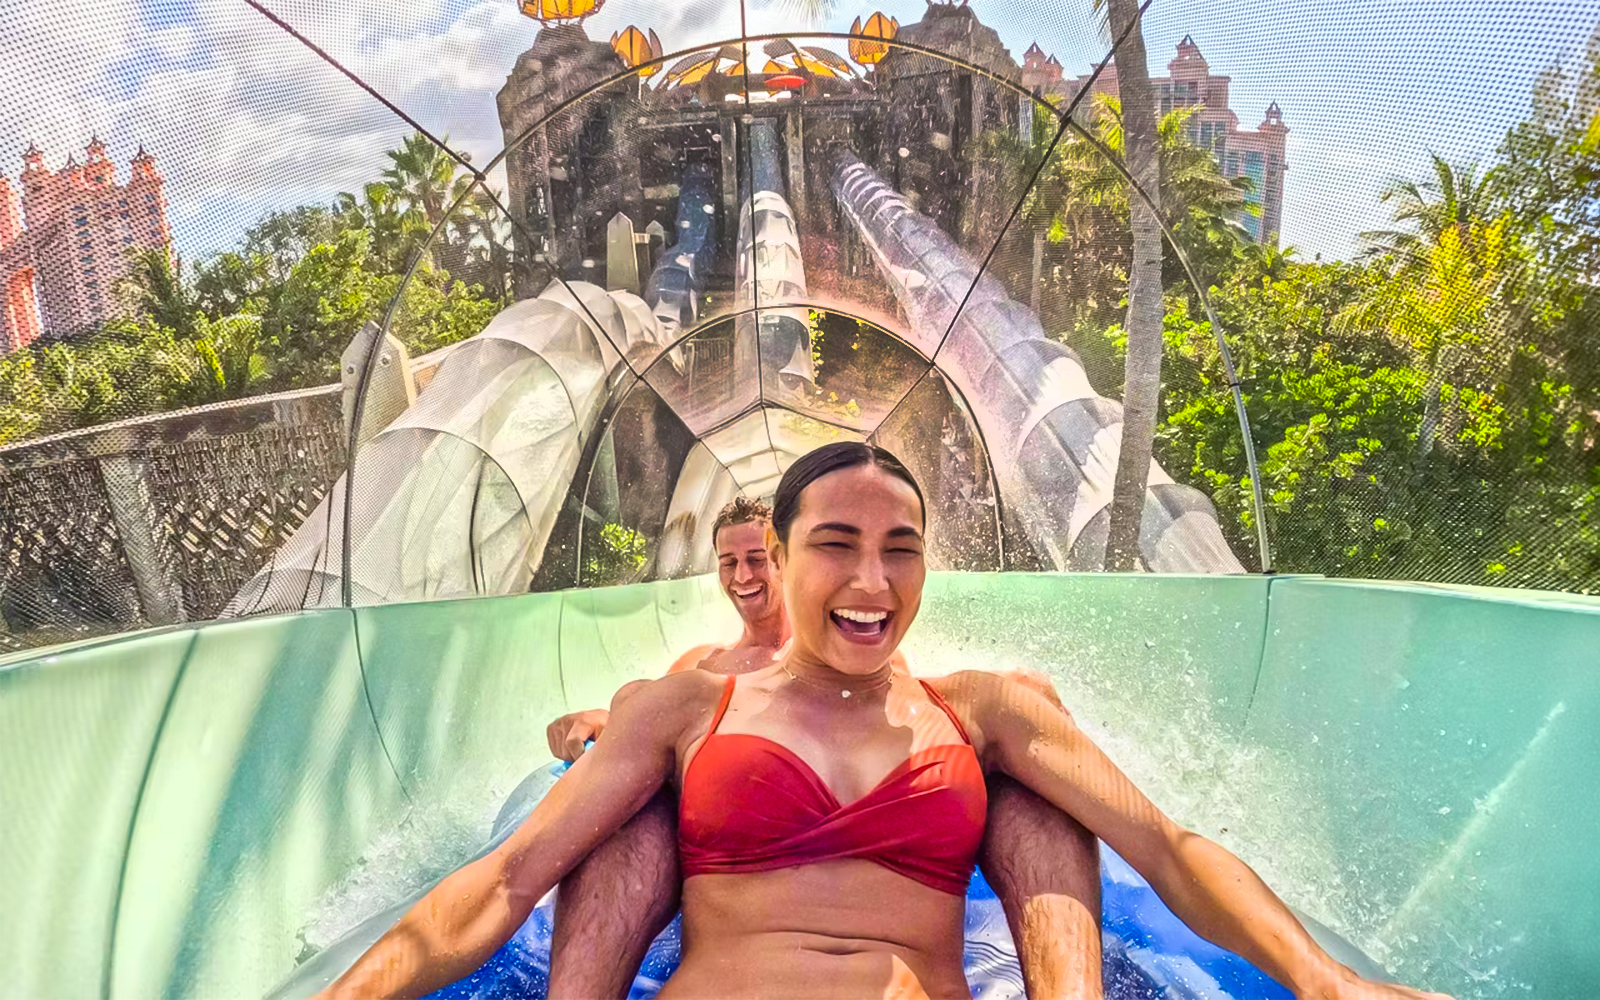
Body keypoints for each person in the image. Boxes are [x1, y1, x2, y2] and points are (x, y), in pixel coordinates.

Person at [319, 443, 1451, 1000]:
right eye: (835, 544)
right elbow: (510, 878)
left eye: (899, 546)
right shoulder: (691, 703)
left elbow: (1166, 847)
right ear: (782, 555)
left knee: (1040, 800)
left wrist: (1327, 981)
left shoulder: (982, 713)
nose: (871, 577)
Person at [542, 495, 1101, 998]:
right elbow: (655, 729)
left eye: (755, 559)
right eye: (728, 562)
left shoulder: (849, 646)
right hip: (732, 880)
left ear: (785, 560)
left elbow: (919, 721)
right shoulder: (701, 666)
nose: (742, 575)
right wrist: (606, 713)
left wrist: (1021, 703)